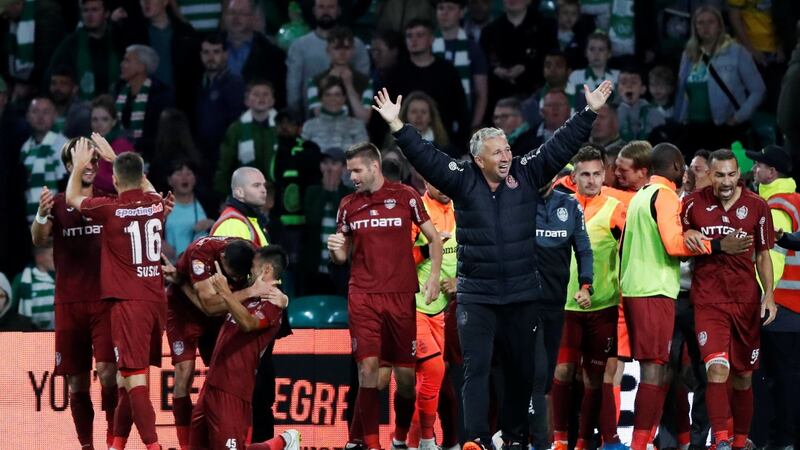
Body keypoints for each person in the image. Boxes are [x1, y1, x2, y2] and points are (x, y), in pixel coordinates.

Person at [373, 80, 613, 449]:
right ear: (478, 159)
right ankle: (477, 440)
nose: (505, 156)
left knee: (522, 373)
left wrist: (589, 112)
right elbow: (426, 156)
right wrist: (397, 126)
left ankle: (515, 438)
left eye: (507, 149)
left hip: (521, 294)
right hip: (478, 296)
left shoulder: (526, 172)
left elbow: (561, 144)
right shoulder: (462, 180)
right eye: (496, 152)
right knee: (476, 370)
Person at [618, 143, 744, 450]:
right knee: (655, 370)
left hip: (638, 289)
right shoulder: (666, 196)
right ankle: (640, 444)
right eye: (685, 166)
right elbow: (674, 245)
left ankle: (656, 441)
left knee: (662, 370)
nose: (687, 171)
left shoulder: (641, 196)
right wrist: (716, 246)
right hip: (656, 290)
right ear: (676, 166)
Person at [327, 142, 443, 450]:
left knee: (405, 379)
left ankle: (399, 439)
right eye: (349, 170)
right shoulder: (347, 205)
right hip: (363, 294)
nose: (350, 176)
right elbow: (343, 257)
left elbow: (433, 238)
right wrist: (337, 252)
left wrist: (432, 278)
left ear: (374, 167)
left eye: (356, 170)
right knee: (368, 369)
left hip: (402, 296)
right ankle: (370, 444)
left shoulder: (406, 196)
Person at [66, 137, 167, 450]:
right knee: (125, 381)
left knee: (135, 381)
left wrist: (82, 163)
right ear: (141, 175)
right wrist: (116, 159)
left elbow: (72, 197)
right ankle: (117, 446)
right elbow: (146, 185)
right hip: (155, 301)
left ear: (116, 180)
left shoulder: (109, 208)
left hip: (128, 304)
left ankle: (154, 447)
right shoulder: (157, 204)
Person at [681, 149, 776, 450]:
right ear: (709, 174)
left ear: (739, 174)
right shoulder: (692, 204)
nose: (726, 181)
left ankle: (739, 441)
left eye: (731, 174)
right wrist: (690, 234)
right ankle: (720, 440)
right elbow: (677, 239)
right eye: (719, 174)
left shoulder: (758, 206)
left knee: (743, 377)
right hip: (708, 300)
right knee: (716, 369)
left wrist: (769, 295)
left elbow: (763, 255)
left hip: (746, 300)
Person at [30, 137, 119, 448]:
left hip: (105, 301)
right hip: (69, 303)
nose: (91, 166)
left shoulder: (109, 198)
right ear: (70, 167)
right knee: (76, 381)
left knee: (109, 372)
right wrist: (41, 215)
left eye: (94, 160)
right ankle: (86, 445)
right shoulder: (54, 203)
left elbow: (136, 196)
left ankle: (113, 441)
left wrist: (115, 159)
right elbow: (39, 239)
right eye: (83, 160)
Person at [550, 146, 627, 450]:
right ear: (574, 177)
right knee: (563, 372)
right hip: (564, 306)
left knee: (595, 379)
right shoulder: (560, 207)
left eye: (597, 173)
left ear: (605, 174)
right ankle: (559, 440)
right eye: (586, 174)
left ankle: (583, 443)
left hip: (602, 308)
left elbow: (627, 251)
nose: (592, 180)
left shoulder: (616, 209)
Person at [190, 245, 301, 450]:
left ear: (266, 270)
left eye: (253, 266)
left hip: (234, 388)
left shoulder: (274, 301)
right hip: (211, 384)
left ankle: (283, 442)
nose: (249, 270)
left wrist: (226, 292)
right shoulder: (248, 292)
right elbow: (211, 307)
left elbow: (249, 324)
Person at [166, 235, 270, 449]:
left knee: (232, 375)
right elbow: (209, 307)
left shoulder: (254, 254)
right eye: (232, 276)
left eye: (241, 277)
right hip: (184, 311)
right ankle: (186, 446)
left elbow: (261, 290)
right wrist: (249, 291)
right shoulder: (200, 255)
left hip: (221, 313)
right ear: (221, 258)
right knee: (184, 375)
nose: (235, 281)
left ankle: (241, 441)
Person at [531, 172, 593, 450]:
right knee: (536, 371)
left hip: (557, 303)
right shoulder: (519, 203)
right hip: (524, 304)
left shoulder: (570, 206)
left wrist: (586, 284)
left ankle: (536, 439)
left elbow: (583, 249)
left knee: (546, 379)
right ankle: (534, 440)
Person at [674, 5, 766, 154]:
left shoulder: (736, 52)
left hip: (725, 128)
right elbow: (682, 90)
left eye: (711, 22)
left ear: (720, 25)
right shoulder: (689, 54)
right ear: (694, 27)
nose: (705, 27)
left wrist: (738, 118)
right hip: (693, 128)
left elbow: (758, 90)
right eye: (700, 23)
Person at [385, 19, 469, 146]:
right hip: (402, 143)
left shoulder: (447, 71)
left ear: (431, 39)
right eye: (409, 36)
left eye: (419, 35)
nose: (413, 40)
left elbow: (461, 111)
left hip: (444, 145)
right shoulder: (395, 73)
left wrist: (459, 146)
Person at [110, 0, 201, 114]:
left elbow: (195, 74)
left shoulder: (185, 33)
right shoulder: (134, 33)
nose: (146, 2)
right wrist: (115, 25)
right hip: (144, 107)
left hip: (180, 107)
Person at [286, 0, 370, 119]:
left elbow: (363, 84)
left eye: (331, 7)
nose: (326, 11)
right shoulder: (299, 46)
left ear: (339, 10)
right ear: (314, 10)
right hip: (311, 119)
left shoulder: (357, 45)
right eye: (321, 7)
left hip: (352, 121)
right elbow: (293, 93)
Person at [479, 0, 557, 111]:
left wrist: (526, 67)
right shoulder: (489, 31)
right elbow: (482, 64)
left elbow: (552, 61)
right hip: (497, 101)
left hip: (535, 99)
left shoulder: (545, 28)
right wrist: (495, 69)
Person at [300, 148, 352, 296]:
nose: (329, 168)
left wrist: (334, 192)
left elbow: (343, 222)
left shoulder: (349, 194)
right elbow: (313, 220)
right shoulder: (312, 191)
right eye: (325, 163)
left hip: (339, 267)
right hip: (314, 265)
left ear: (343, 167)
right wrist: (325, 191)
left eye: (334, 163)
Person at [214, 79, 279, 199]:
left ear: (272, 101)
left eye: (265, 94)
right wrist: (222, 195)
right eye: (256, 94)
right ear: (247, 101)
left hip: (276, 192)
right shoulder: (236, 129)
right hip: (245, 194)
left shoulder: (279, 128)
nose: (261, 98)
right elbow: (225, 164)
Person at [195, 31, 246, 175]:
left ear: (225, 54)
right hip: (201, 154)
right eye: (206, 52)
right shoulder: (197, 84)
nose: (211, 57)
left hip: (225, 154)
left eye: (216, 52)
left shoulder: (235, 84)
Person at [46, 0, 120, 100]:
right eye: (85, 11)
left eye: (94, 10)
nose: (89, 15)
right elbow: (51, 76)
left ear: (106, 13)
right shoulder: (70, 44)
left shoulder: (118, 39)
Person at [433, 0, 490, 130]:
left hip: (464, 121)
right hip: (432, 120)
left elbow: (481, 94)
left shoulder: (473, 48)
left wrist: (474, 127)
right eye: (441, 8)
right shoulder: (426, 45)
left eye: (450, 8)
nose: (444, 13)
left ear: (462, 12)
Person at [114, 44, 174, 159]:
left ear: (141, 67)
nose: (122, 64)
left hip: (149, 157)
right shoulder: (118, 90)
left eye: (127, 60)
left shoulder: (160, 95)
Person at [222, 0, 287, 102]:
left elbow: (279, 93)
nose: (236, 18)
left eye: (242, 13)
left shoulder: (272, 53)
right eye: (232, 12)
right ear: (224, 16)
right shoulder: (210, 47)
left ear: (253, 17)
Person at [306, 26, 373, 122]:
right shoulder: (314, 81)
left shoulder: (365, 82)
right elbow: (319, 115)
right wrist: (330, 83)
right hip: (323, 134)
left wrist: (349, 86)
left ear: (353, 50)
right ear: (328, 51)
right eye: (337, 48)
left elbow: (364, 119)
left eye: (346, 48)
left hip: (354, 134)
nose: (342, 53)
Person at [20, 97, 68, 224]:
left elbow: (66, 186)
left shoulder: (62, 145)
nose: (40, 116)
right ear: (28, 116)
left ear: (55, 115)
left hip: (55, 220)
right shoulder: (25, 148)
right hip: (30, 220)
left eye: (46, 112)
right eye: (35, 111)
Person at [300, 76, 368, 153]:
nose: (333, 99)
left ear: (344, 98)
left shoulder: (357, 125)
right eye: (328, 95)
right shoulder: (308, 126)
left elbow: (363, 156)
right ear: (321, 98)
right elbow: (300, 154)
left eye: (337, 95)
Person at [163, 160, 214, 260]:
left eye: (188, 174)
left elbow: (220, 226)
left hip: (201, 265)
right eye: (179, 174)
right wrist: (160, 243)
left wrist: (212, 224)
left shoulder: (208, 203)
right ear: (169, 180)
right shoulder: (163, 205)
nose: (184, 178)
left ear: (195, 178)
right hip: (171, 267)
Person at [90, 94, 135, 193]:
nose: (99, 124)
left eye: (105, 119)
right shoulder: (88, 145)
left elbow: (127, 181)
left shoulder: (122, 145)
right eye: (95, 119)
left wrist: (90, 174)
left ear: (114, 122)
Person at [566, 32, 620, 110]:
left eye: (601, 49)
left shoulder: (618, 76)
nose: (596, 53)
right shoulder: (576, 76)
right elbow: (570, 107)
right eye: (592, 49)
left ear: (609, 53)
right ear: (586, 52)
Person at [521, 50, 572, 131]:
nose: (552, 69)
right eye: (548, 66)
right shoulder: (530, 105)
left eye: (558, 66)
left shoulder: (583, 100)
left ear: (569, 71)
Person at [617, 66, 666, 142]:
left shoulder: (655, 114)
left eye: (634, 82)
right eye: (624, 83)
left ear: (643, 89)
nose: (629, 86)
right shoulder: (610, 114)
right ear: (618, 89)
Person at [13, 241, 55, 329]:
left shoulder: (60, 279)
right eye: (52, 255)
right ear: (39, 257)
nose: (56, 258)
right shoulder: (22, 279)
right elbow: (10, 308)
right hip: (31, 335)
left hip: (56, 334)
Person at [47, 67, 91, 137]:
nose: (57, 88)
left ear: (74, 88)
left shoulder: (83, 114)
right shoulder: (43, 109)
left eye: (63, 84)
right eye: (54, 83)